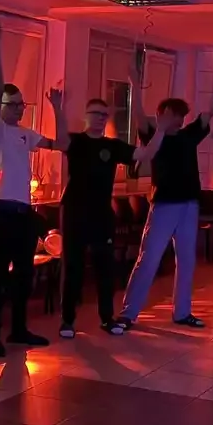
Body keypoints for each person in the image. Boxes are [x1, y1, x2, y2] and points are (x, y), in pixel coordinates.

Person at [117, 59, 213, 329]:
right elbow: (138, 114)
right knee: (148, 259)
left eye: (182, 116)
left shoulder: (187, 136)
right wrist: (134, 82)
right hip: (163, 205)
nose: (181, 119)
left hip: (189, 205)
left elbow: (209, 112)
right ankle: (128, 313)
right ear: (163, 115)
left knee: (187, 261)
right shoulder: (153, 135)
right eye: (176, 115)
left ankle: (182, 312)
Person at [0, 16, 67, 357]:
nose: (19, 109)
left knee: (24, 275)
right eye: (13, 104)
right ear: (1, 107)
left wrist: (57, 109)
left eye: (21, 104)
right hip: (1, 213)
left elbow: (62, 144)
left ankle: (18, 329)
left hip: (23, 214)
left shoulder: (24, 134)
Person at [58, 77, 138, 339]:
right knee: (73, 266)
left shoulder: (112, 146)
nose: (101, 118)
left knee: (105, 266)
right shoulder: (76, 141)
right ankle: (67, 321)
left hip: (101, 213)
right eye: (96, 113)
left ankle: (107, 318)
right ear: (86, 116)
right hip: (74, 211)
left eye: (104, 115)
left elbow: (143, 155)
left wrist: (159, 131)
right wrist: (57, 108)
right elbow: (60, 141)